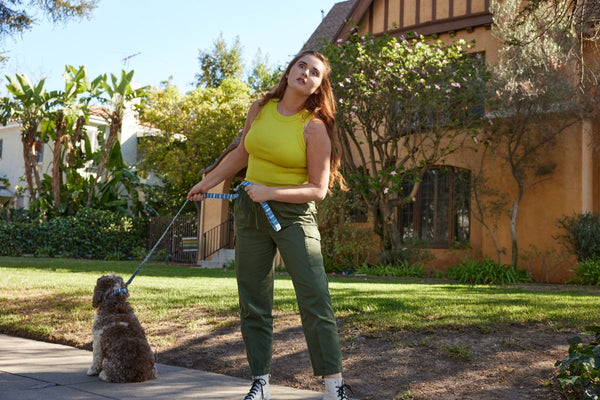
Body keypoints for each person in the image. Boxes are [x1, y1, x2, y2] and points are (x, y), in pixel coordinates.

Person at [187, 50, 350, 400]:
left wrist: (269, 191)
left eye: (315, 73)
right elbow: (241, 153)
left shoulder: (315, 127)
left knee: (314, 298)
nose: (305, 73)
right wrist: (208, 182)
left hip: (293, 217)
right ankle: (260, 382)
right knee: (254, 300)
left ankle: (334, 388)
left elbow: (317, 190)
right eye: (301, 65)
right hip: (250, 212)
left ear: (319, 86)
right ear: (290, 70)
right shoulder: (259, 109)